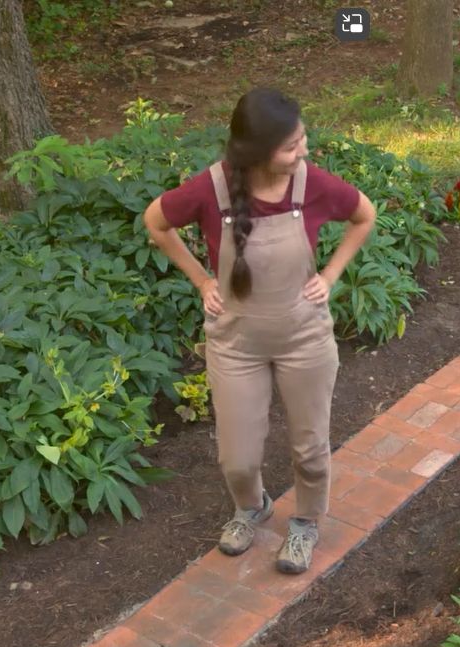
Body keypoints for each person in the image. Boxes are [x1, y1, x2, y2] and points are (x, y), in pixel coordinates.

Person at [143, 87, 376, 574]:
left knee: (310, 448)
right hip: (235, 345)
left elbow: (363, 215)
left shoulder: (310, 184)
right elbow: (156, 222)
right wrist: (202, 278)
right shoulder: (211, 189)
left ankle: (307, 522)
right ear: (255, 150)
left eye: (303, 139)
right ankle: (252, 506)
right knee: (237, 458)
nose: (304, 151)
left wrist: (330, 276)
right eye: (292, 145)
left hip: (304, 339)